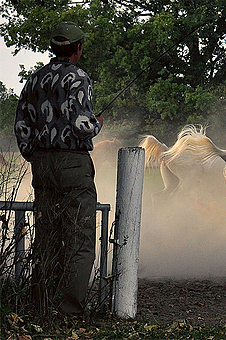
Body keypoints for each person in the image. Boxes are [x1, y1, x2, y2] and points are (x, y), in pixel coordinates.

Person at [14, 21, 103, 315]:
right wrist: (97, 124)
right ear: (77, 49)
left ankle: (39, 306)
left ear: (54, 48)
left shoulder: (35, 78)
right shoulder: (79, 78)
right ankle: (68, 312)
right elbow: (82, 126)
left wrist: (34, 155)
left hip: (41, 164)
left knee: (47, 238)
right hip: (72, 163)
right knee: (79, 239)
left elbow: (22, 125)